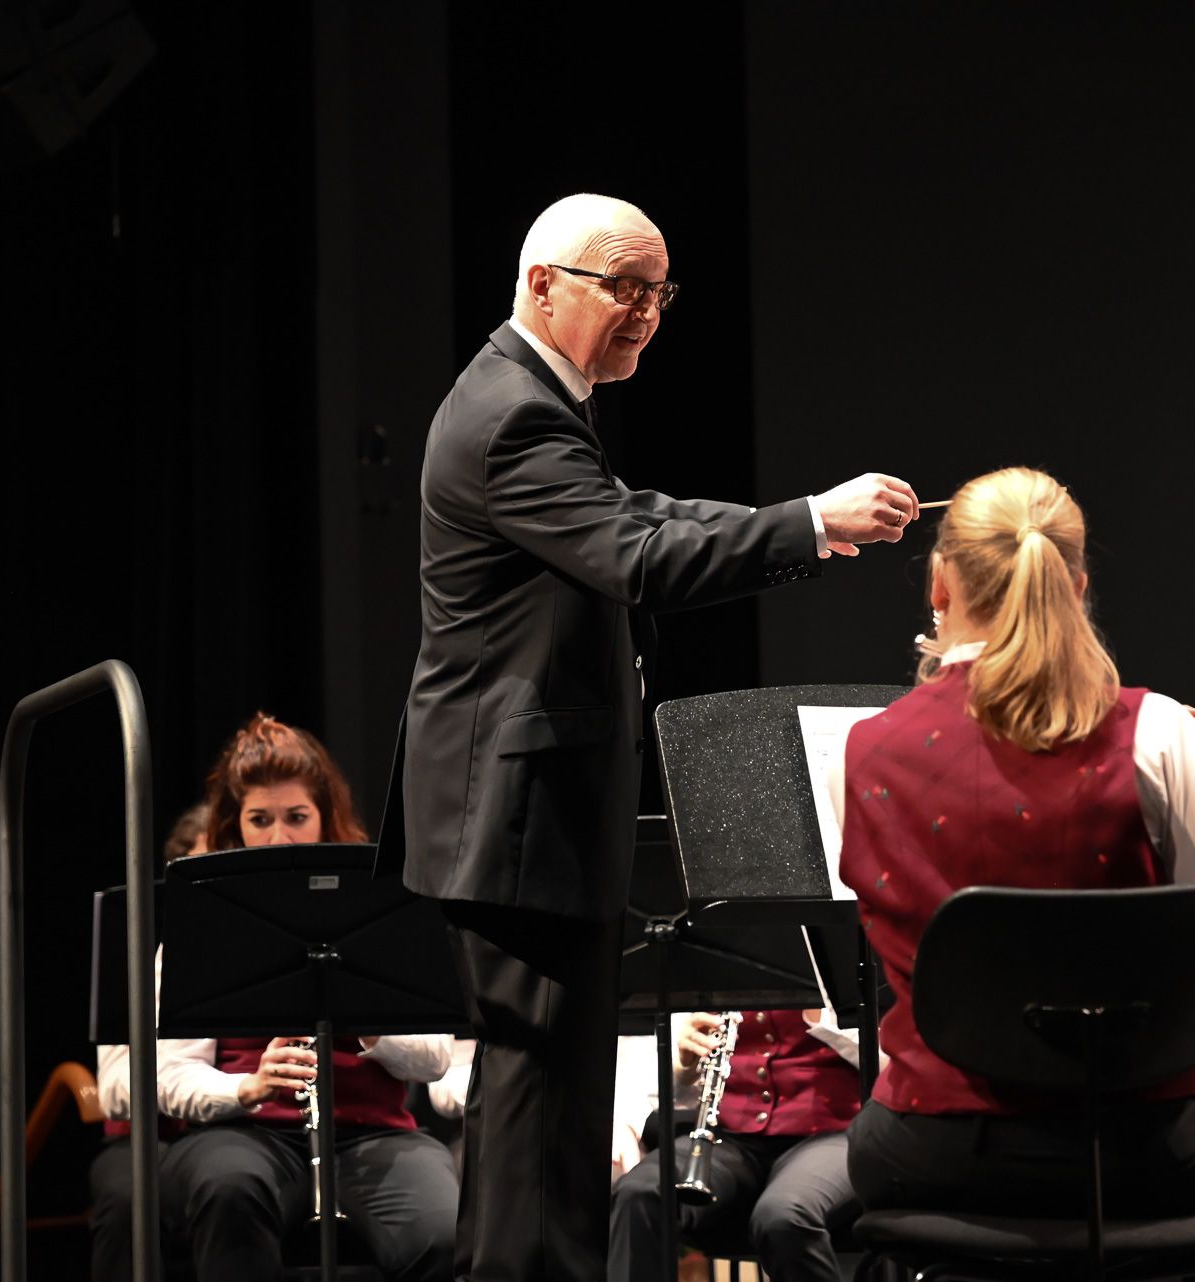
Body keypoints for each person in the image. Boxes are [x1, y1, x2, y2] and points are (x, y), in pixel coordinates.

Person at [380, 192, 918, 1282]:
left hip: (522, 813)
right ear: (541, 284)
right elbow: (636, 553)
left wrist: (805, 524)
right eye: (621, 288)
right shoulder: (513, 413)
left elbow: (645, 513)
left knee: (540, 1116)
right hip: (519, 817)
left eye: (658, 291)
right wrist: (811, 519)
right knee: (542, 1124)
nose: (646, 313)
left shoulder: (533, 399)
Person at [831, 466, 1195, 1217]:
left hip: (939, 1150)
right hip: (1153, 1148)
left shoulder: (866, 750)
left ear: (939, 585)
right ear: (1076, 585)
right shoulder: (1157, 731)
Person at [159, 714, 458, 1282]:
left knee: (443, 1233)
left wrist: (370, 1022)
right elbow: (171, 1078)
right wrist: (248, 1086)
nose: (280, 839)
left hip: (374, 1134)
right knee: (228, 1190)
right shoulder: (201, 927)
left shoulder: (384, 908)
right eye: (260, 820)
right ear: (234, 826)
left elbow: (436, 1059)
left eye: (297, 817)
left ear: (326, 818)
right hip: (245, 1136)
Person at [607, 1010, 863, 1282]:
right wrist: (684, 1065)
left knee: (784, 1216)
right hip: (732, 1135)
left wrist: (824, 1017)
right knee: (641, 1192)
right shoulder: (715, 973)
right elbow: (675, 1095)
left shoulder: (843, 972)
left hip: (835, 1133)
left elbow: (891, 1058)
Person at [88, 802, 208, 1282]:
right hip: (150, 1135)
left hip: (236, 1133)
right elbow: (114, 1085)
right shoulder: (139, 943)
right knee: (128, 1198)